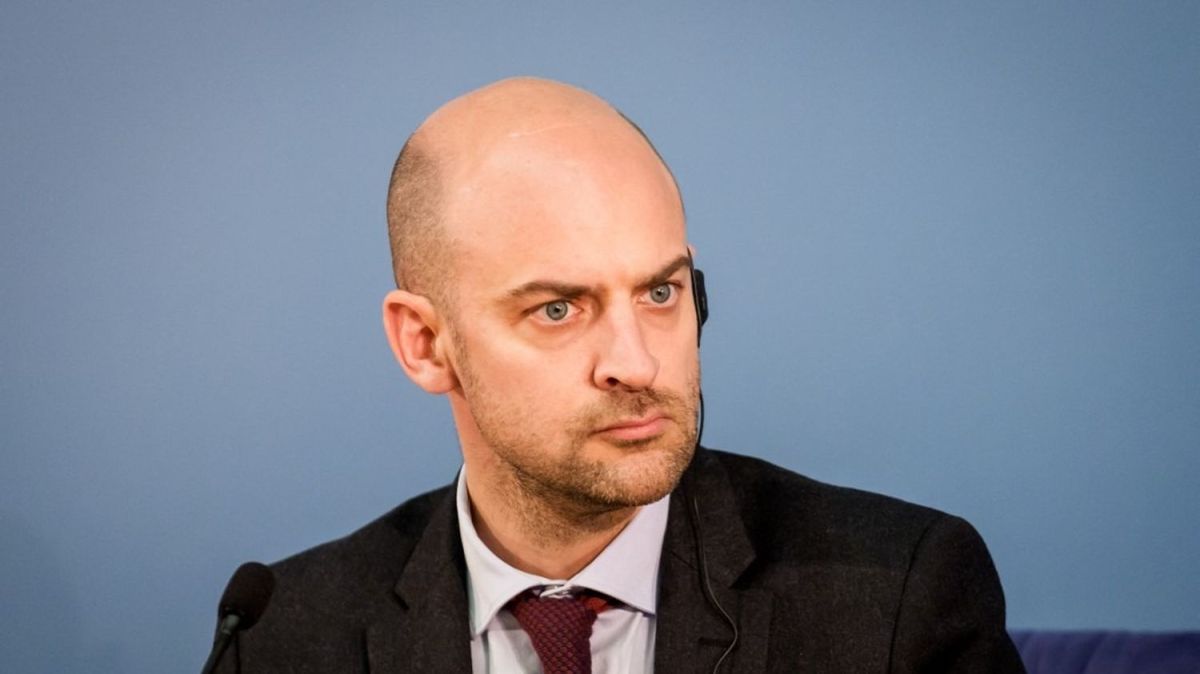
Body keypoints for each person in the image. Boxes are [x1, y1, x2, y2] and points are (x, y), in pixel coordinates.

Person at [211, 77, 1025, 673]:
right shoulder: (282, 637)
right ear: (425, 343)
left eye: (661, 293)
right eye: (558, 309)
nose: (637, 363)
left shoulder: (895, 597)